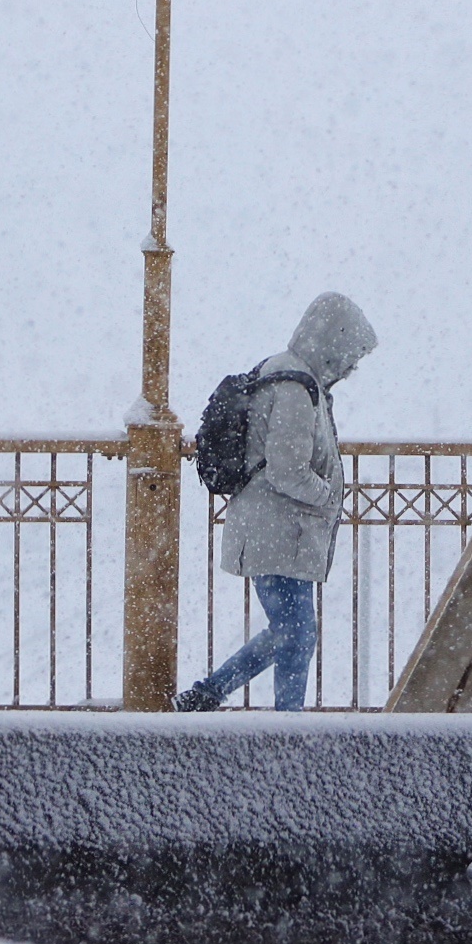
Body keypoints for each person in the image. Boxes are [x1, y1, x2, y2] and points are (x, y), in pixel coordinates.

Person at [175, 292, 377, 712]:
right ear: (330, 344)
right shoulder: (293, 386)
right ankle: (288, 728)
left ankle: (207, 695)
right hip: (278, 529)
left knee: (290, 630)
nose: (350, 370)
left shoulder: (292, 377)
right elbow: (288, 471)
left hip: (281, 529)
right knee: (297, 633)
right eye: (348, 358)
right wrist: (329, 497)